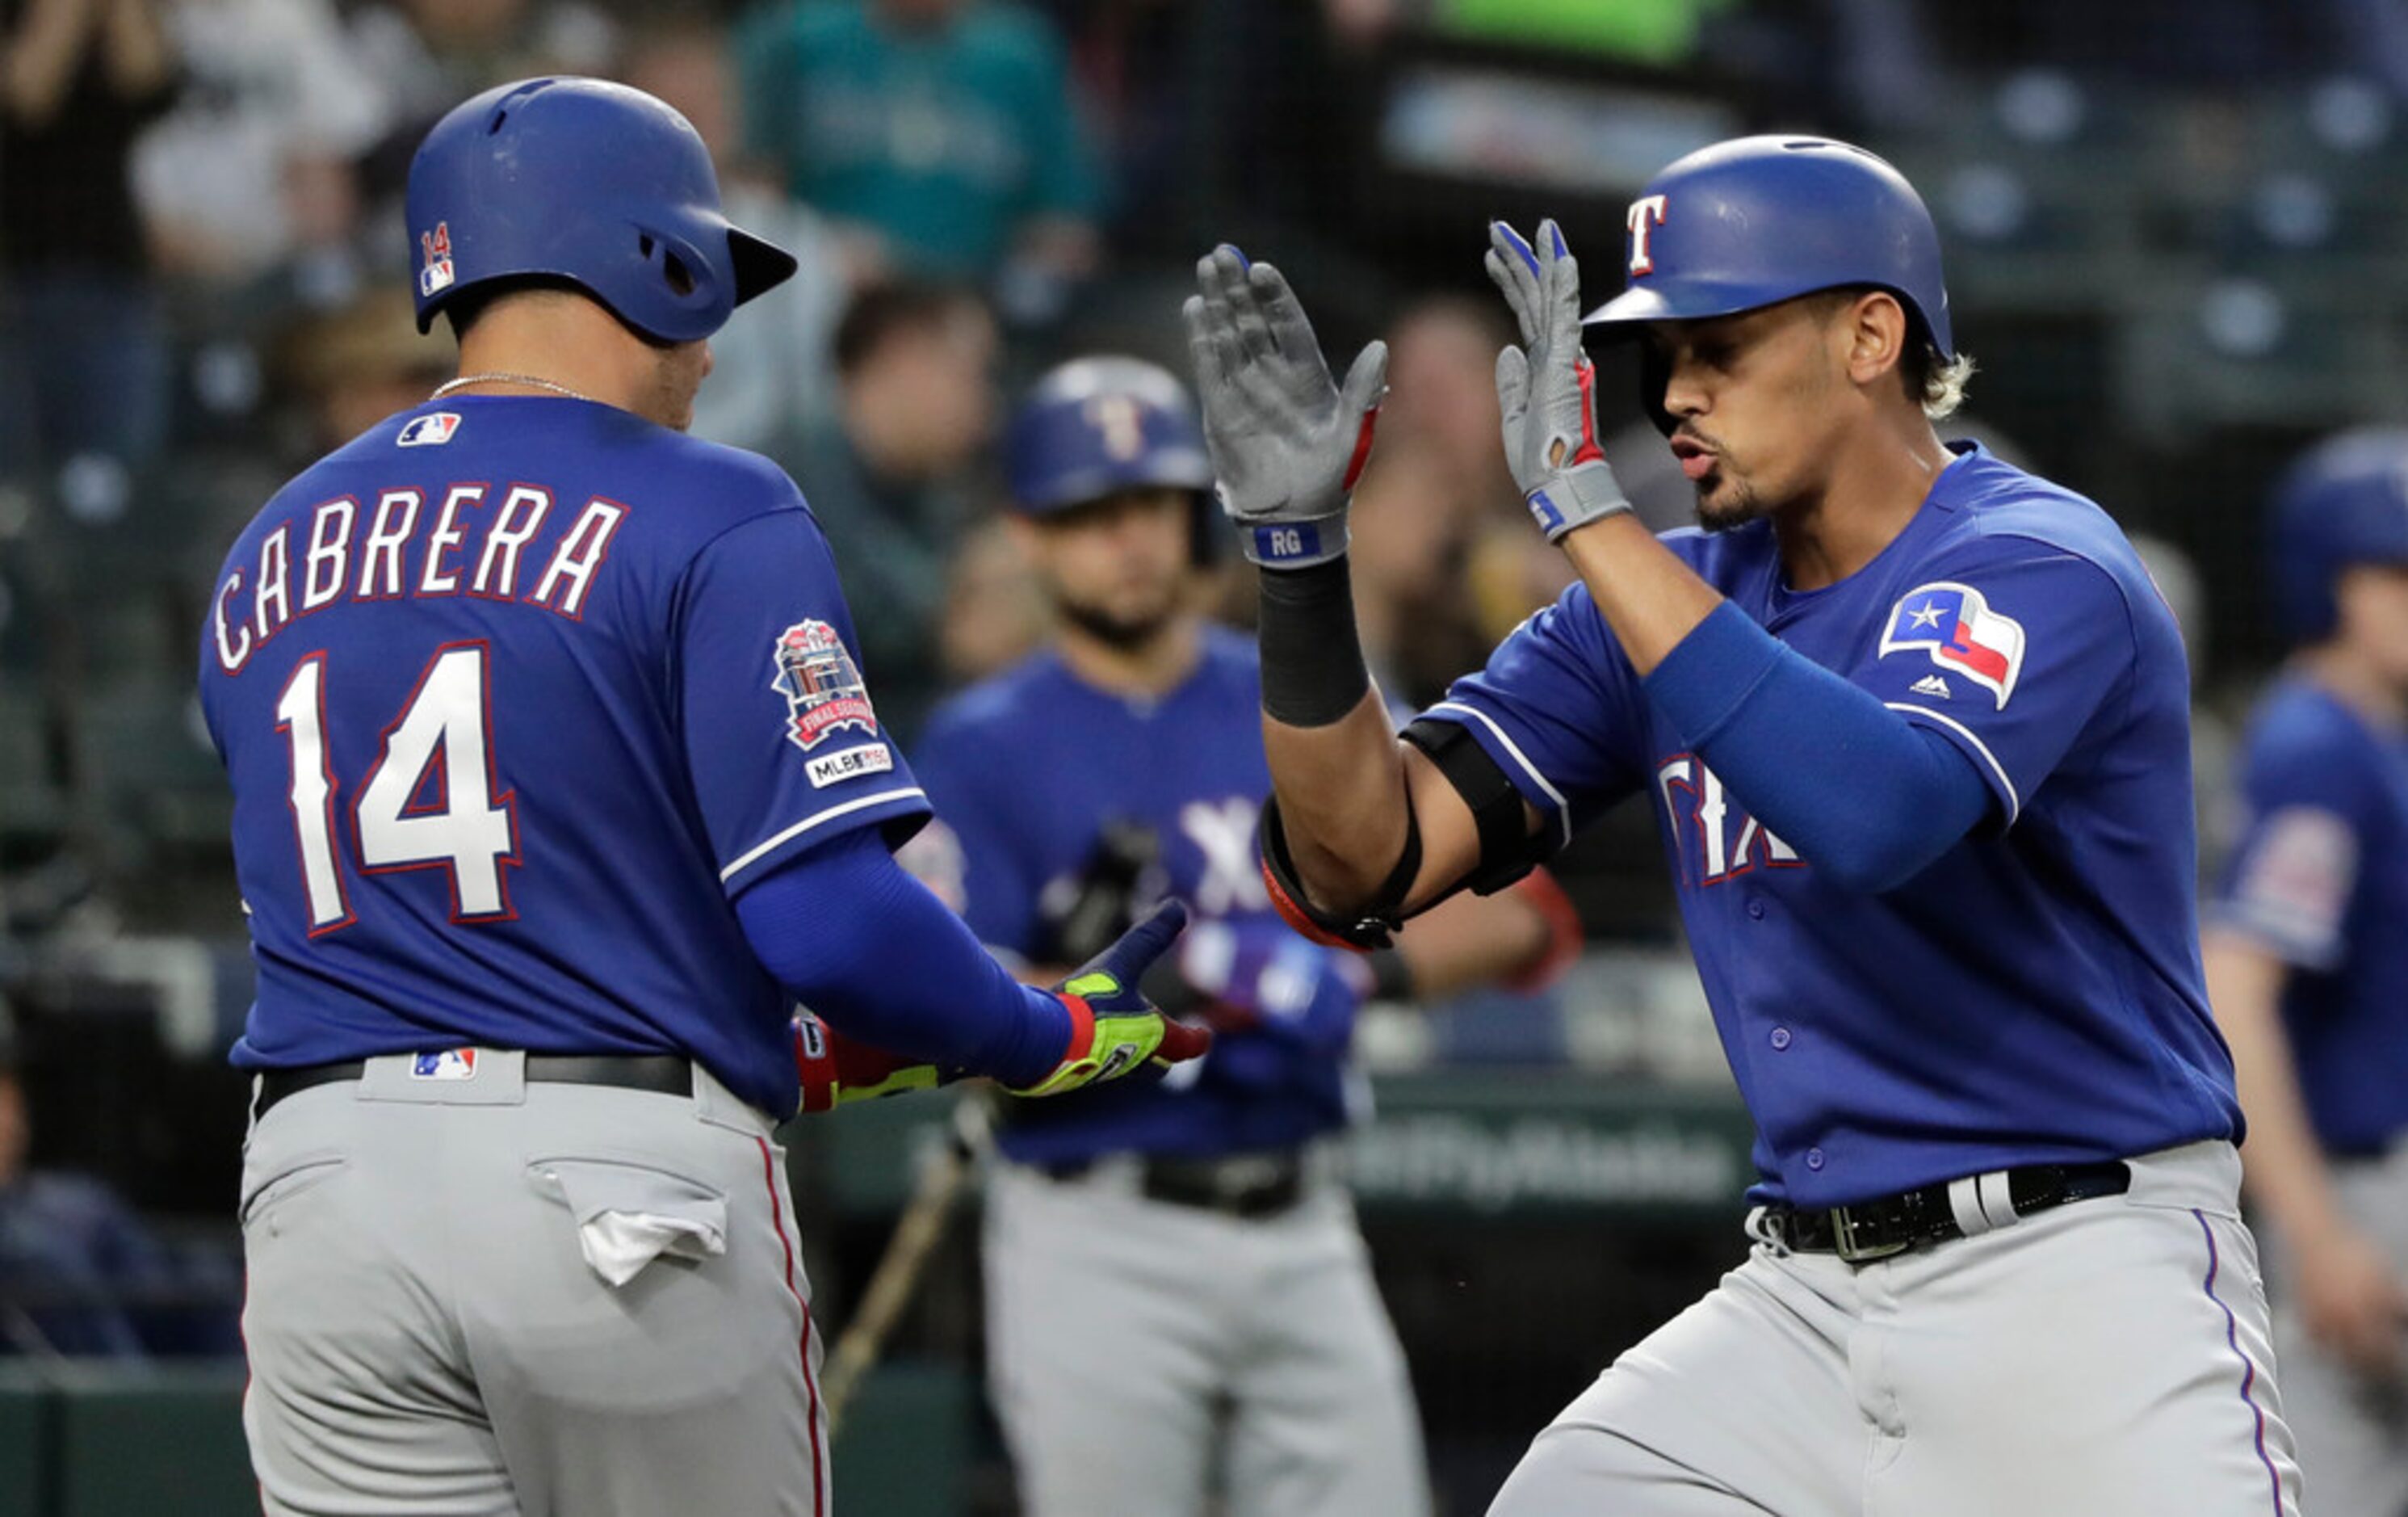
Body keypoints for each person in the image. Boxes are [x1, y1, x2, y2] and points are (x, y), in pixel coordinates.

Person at [1183, 134, 2301, 1515]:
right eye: (1661, 354)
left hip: (2077, 1273)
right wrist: (1299, 565)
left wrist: (1588, 517)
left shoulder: (2034, 557)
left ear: (1869, 334)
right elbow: (1368, 859)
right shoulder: (1648, 600)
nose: (1676, 395)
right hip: (1802, 1298)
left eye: (1721, 343)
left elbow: (1879, 813)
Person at [199, 77, 1204, 1517]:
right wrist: (1035, 1030)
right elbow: (833, 924)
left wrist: (793, 1045)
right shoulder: (711, 501)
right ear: (649, 260)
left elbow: (477, 932)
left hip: (319, 1188)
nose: (712, 345)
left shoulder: (266, 543)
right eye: (704, 281)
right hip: (611, 1195)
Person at [904, 355, 1578, 1516]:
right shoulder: (979, 742)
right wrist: (1113, 985)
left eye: (1150, 506)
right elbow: (947, 1000)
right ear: (1028, 532)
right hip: (1097, 1220)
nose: (1127, 542)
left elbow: (1512, 907)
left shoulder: (1299, 695)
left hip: (1302, 1212)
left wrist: (1351, 974)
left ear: (1195, 518)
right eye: (1090, 513)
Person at [2205, 429, 2408, 1515]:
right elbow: (2235, 985)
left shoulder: (2374, 737)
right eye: (2392, 573)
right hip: (2357, 1186)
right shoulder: (2317, 747)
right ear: (2325, 583)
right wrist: (2317, 1230)